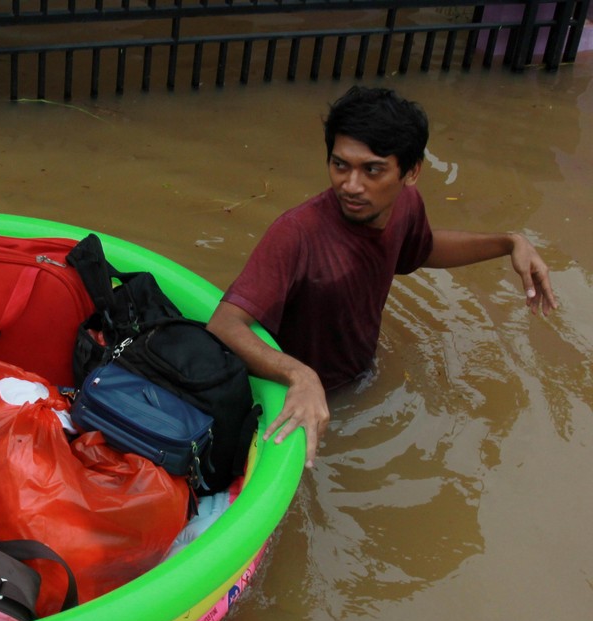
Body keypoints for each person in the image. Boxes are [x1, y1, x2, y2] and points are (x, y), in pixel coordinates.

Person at [206, 85, 559, 469]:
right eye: (340, 165)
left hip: (357, 381)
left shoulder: (407, 205)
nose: (351, 185)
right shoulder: (296, 234)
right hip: (297, 401)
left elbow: (421, 250)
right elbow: (223, 325)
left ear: (411, 172)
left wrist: (509, 242)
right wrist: (299, 375)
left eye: (372, 170)